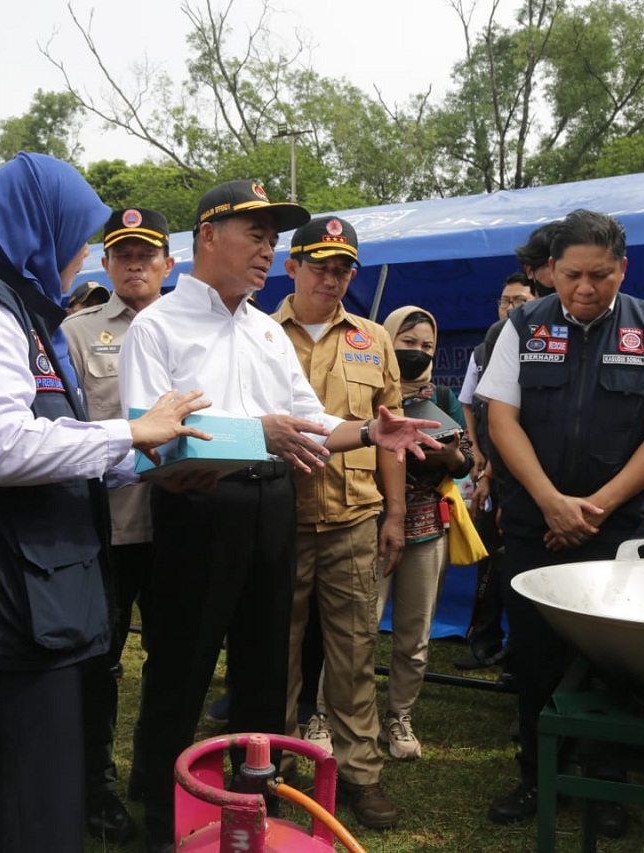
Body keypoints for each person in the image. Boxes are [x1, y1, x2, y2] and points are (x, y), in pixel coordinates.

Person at [118, 179, 442, 853]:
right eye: (256, 235)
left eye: (273, 239)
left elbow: (309, 422)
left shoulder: (266, 330)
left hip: (274, 504)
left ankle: (255, 814)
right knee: (181, 671)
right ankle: (159, 819)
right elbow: (151, 438)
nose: (269, 251)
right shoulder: (157, 325)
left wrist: (366, 433)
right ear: (208, 235)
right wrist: (257, 432)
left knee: (268, 675)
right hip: (197, 507)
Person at [0, 153, 210, 852]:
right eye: (78, 236)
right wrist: (132, 429)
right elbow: (0, 448)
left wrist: (148, 465)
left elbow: (60, 453)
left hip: (37, 605)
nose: (83, 256)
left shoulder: (22, 309)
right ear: (39, 232)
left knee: (40, 802)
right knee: (12, 810)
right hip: (6, 608)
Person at [479, 209, 644, 836]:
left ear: (622, 268)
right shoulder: (522, 325)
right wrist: (550, 501)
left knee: (611, 660)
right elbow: (502, 421)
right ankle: (536, 774)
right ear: (551, 269)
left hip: (615, 534)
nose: (583, 288)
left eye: (599, 276)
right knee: (537, 655)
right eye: (571, 274)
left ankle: (605, 782)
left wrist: (592, 508)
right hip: (532, 525)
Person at [271, 215, 404, 829]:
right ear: (291, 266)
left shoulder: (373, 338)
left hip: (354, 519)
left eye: (343, 267)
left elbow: (391, 435)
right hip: (280, 517)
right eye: (320, 265)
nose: (332, 277)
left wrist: (396, 513)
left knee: (354, 652)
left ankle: (360, 775)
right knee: (279, 651)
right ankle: (275, 767)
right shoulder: (259, 334)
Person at [63, 206, 176, 843]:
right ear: (106, 263)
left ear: (168, 263)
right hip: (107, 529)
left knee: (174, 657)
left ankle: (155, 773)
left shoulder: (190, 328)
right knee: (99, 662)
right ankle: (96, 785)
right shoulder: (76, 332)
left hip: (183, 526)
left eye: (146, 254)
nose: (134, 264)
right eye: (122, 254)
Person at [375, 305, 474, 761]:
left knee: (414, 635)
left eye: (426, 346)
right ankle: (330, 714)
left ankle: (399, 716)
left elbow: (466, 460)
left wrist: (449, 456)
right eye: (407, 343)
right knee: (355, 630)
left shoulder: (446, 399)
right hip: (371, 524)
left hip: (428, 526)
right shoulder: (371, 393)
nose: (416, 353)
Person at [454, 271, 538, 670]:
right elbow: (469, 403)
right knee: (488, 560)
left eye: (520, 301)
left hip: (531, 479)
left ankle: (520, 653)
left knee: (521, 566)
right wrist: (477, 456)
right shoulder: (485, 348)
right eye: (505, 301)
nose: (510, 308)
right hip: (491, 475)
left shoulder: (543, 348)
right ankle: (484, 641)